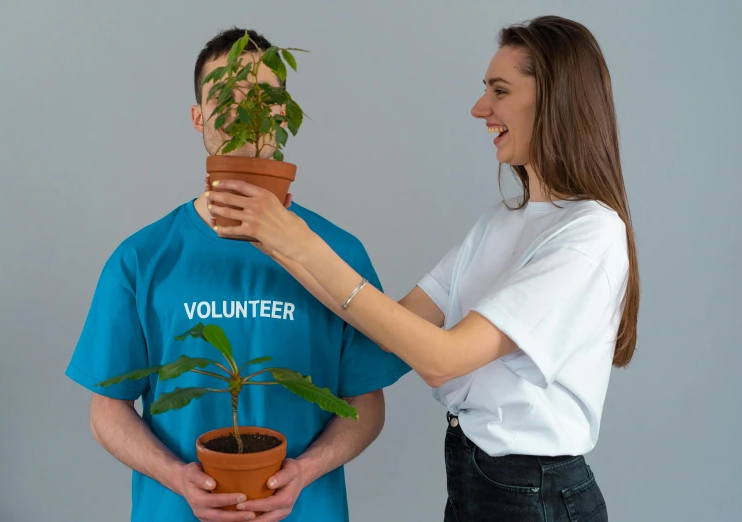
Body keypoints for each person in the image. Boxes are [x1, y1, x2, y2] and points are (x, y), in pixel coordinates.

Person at [205, 15, 638, 522]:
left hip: (534, 493)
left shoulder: (590, 233)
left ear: (556, 99)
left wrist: (300, 240)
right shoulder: (499, 223)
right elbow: (393, 327)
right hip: (476, 479)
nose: (481, 109)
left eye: (500, 91)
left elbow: (442, 358)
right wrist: (274, 241)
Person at [65, 27, 410, 522]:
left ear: (283, 114)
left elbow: (366, 404)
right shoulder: (140, 258)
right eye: (224, 96)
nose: (245, 112)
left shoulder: (339, 255)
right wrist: (177, 477)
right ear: (197, 116)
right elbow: (107, 410)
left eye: (265, 97)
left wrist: (306, 470)